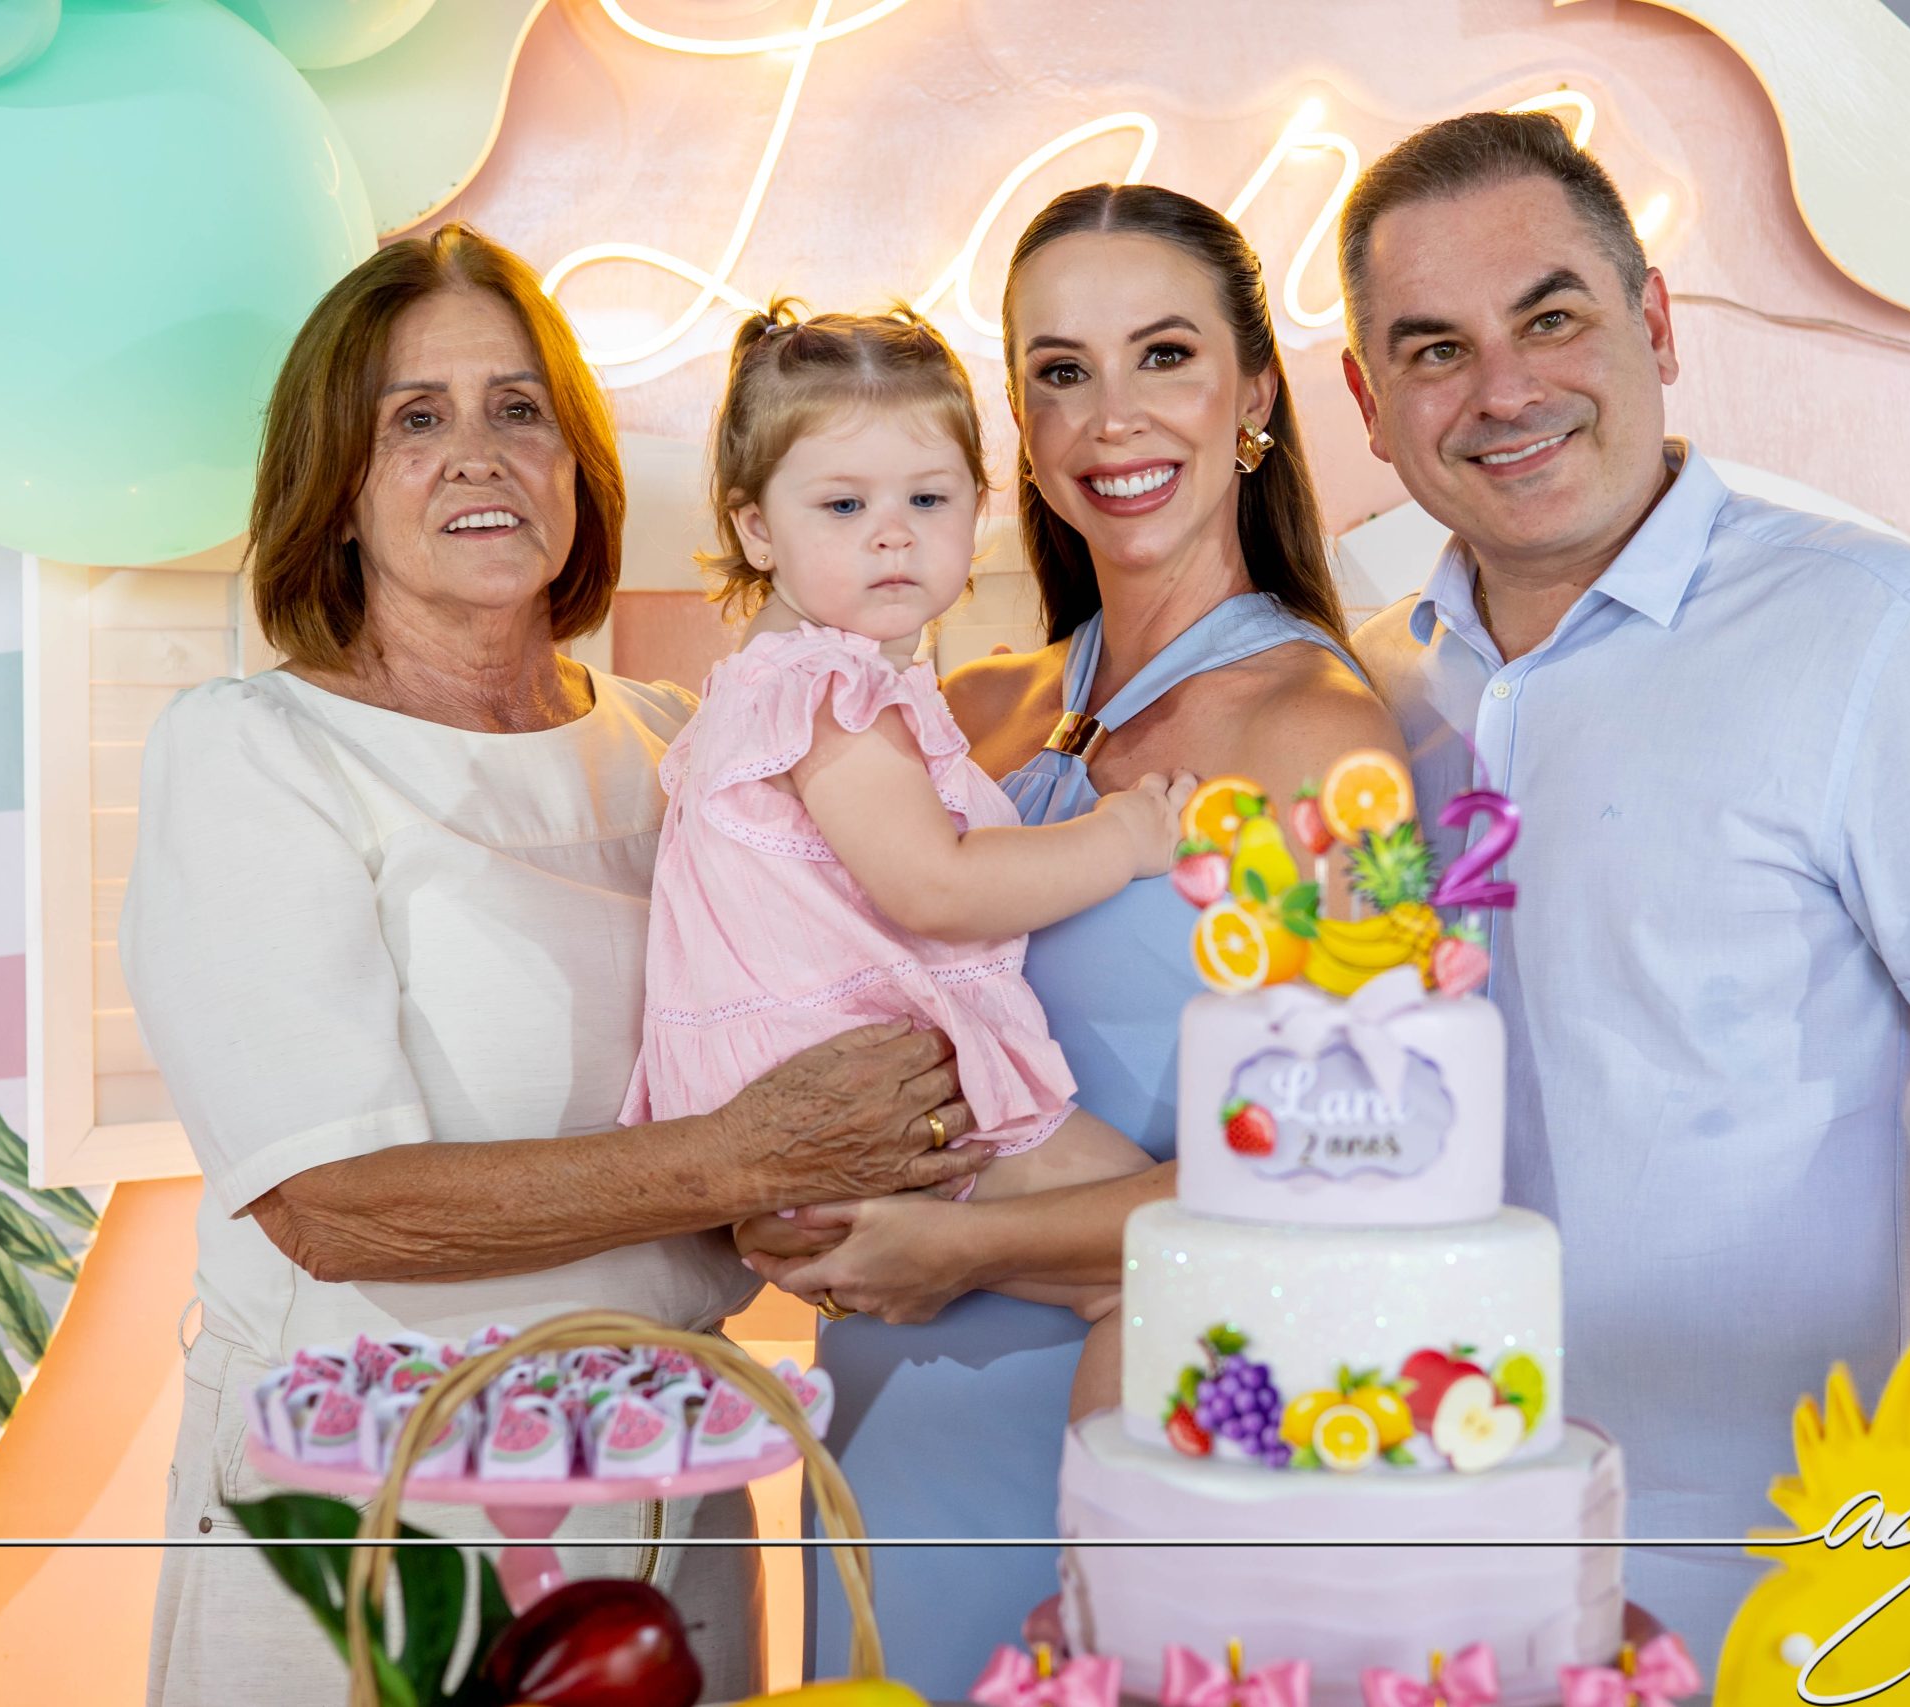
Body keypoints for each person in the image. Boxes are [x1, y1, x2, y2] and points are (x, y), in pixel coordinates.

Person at [123, 225, 986, 1706]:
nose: (479, 453)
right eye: (415, 418)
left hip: (667, 1487)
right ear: (336, 491)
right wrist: (742, 1156)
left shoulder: (683, 744)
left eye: (519, 409)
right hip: (379, 1511)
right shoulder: (258, 754)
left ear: (576, 464)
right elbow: (329, 1204)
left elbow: (842, 1021)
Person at [1337, 112, 1910, 1661]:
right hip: (1426, 1559)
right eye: (1435, 349)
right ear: (1371, 404)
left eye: (1550, 317)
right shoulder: (1363, 704)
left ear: (1654, 322)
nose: (1504, 389)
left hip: (1786, 1571)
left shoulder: (1888, 633)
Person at [739, 184, 1405, 1694]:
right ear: (1022, 430)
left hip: (1139, 1448)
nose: (1112, 416)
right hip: (882, 1454)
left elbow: (1336, 1176)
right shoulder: (964, 709)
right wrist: (774, 1195)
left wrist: (956, 1246)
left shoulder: (1319, 739)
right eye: (1060, 371)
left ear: (1254, 394)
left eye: (1164, 355)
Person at [625, 299, 1190, 1412]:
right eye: (843, 505)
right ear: (755, 529)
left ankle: (1108, 1514)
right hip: (860, 1099)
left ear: (978, 512)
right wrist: (1119, 836)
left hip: (795, 1120)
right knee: (1180, 1261)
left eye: (927, 500)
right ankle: (1124, 1524)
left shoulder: (766, 685)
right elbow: (935, 886)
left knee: (1117, 1281)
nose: (891, 533)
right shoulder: (827, 691)